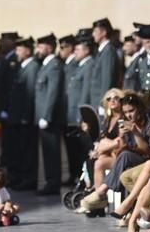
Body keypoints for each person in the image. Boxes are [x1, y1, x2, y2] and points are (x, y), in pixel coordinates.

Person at [6, 36, 40, 190]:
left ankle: (29, 179)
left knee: (28, 151)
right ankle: (20, 177)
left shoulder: (32, 67)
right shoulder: (23, 66)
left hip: (25, 118)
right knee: (19, 149)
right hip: (17, 117)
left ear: (27, 51)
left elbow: (31, 94)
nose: (17, 52)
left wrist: (26, 116)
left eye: (19, 49)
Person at [34, 33, 66, 195]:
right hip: (43, 117)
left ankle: (53, 183)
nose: (37, 49)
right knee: (47, 151)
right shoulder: (46, 64)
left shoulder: (54, 65)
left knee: (52, 152)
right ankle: (50, 181)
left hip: (49, 118)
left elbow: (53, 92)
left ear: (49, 47)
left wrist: (46, 116)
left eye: (40, 46)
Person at [64, 35, 94, 181]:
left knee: (83, 149)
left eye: (78, 49)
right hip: (72, 113)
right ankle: (77, 176)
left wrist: (82, 115)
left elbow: (85, 92)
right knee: (74, 149)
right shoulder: (81, 65)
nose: (74, 52)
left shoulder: (88, 66)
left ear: (87, 50)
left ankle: (84, 179)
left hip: (80, 114)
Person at [0, 32, 19, 171]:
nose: (1, 43)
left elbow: (10, 88)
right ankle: (5, 162)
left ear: (12, 42)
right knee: (6, 139)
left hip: (8, 108)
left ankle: (9, 165)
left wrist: (6, 108)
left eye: (5, 40)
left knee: (10, 140)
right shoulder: (6, 58)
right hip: (4, 107)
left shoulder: (13, 59)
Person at [89, 18, 121, 117]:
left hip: (102, 102)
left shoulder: (108, 51)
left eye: (95, 31)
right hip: (96, 101)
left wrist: (103, 103)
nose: (93, 34)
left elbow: (107, 79)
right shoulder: (102, 51)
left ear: (103, 32)